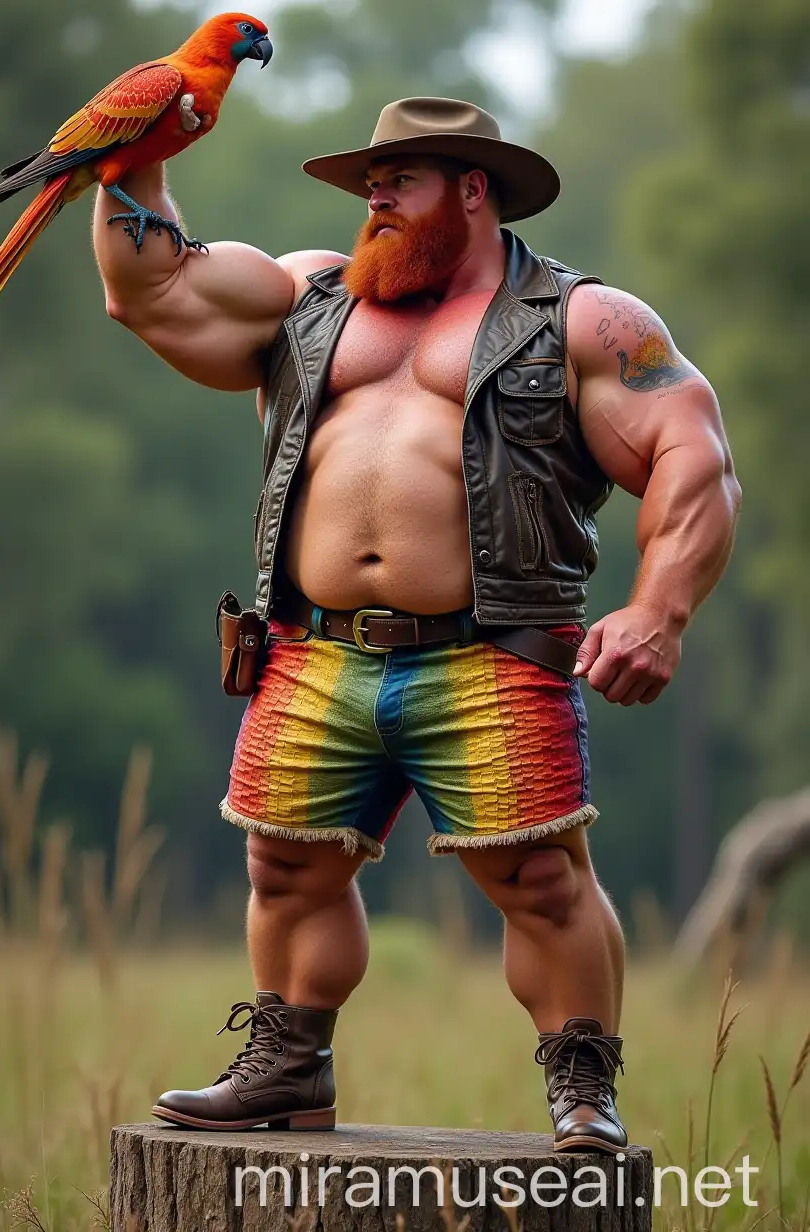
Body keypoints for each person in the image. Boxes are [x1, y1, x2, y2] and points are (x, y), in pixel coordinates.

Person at [93, 97, 741, 1152]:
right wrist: (135, 164)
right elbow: (154, 292)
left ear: (472, 188)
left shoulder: (578, 321)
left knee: (539, 876)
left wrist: (658, 610)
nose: (373, 199)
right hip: (312, 651)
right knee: (285, 864)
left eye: (398, 180)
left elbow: (695, 456)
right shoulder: (308, 296)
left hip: (491, 656)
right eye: (368, 184)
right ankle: (288, 1065)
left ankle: (581, 1082)